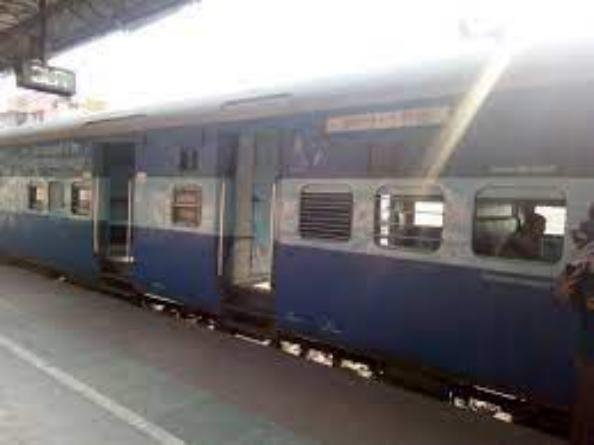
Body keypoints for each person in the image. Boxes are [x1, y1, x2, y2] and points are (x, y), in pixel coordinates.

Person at [557, 229, 594, 444]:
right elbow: (560, 295)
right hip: (589, 350)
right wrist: (569, 282)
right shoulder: (585, 259)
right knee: (587, 410)